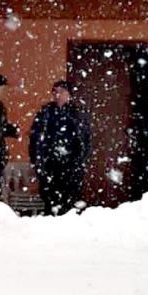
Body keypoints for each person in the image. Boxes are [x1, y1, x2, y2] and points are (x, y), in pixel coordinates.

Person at [29, 80, 91, 215]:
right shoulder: (46, 114)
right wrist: (39, 163)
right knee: (51, 203)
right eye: (55, 91)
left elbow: (85, 140)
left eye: (61, 91)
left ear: (69, 94)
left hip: (71, 166)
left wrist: (79, 161)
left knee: (70, 204)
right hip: (50, 166)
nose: (57, 95)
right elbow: (35, 140)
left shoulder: (76, 114)